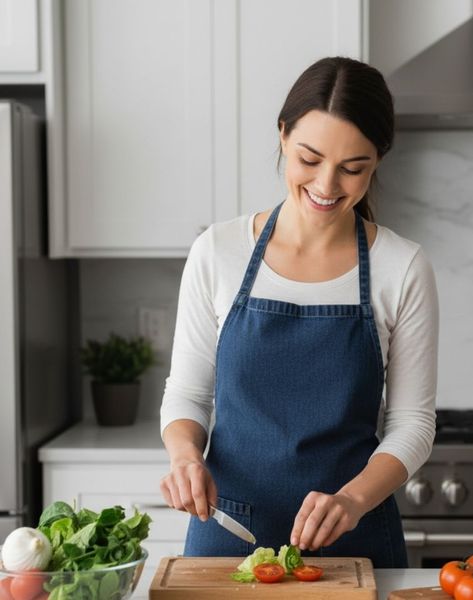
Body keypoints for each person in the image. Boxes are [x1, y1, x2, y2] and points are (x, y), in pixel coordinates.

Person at [159, 56, 438, 568]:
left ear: (378, 160)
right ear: (283, 135)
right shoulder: (217, 251)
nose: (327, 185)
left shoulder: (402, 267)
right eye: (310, 159)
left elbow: (413, 423)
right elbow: (187, 393)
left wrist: (353, 500)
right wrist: (184, 457)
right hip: (227, 532)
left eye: (353, 168)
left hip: (354, 542)